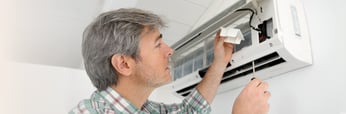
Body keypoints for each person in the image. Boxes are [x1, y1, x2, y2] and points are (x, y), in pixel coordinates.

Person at [69, 8, 270, 114]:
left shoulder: (144, 109)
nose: (170, 51)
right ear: (124, 64)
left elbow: (190, 111)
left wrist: (219, 64)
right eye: (157, 45)